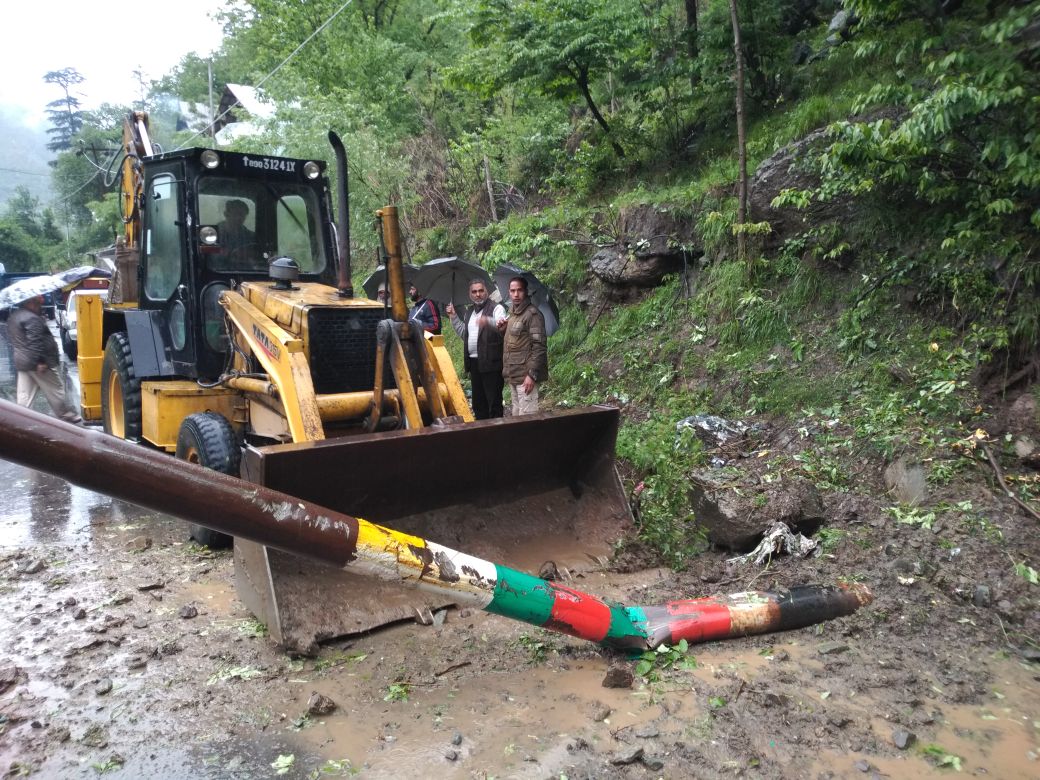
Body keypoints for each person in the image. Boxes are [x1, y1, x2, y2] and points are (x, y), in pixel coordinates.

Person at [7, 295, 81, 424]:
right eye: (36, 303)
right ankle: (66, 414)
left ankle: (20, 419)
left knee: (25, 395)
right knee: (56, 389)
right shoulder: (31, 319)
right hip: (38, 363)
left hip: (23, 362)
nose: (39, 306)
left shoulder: (14, 316)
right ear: (29, 303)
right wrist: (40, 361)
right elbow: (35, 343)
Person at [446, 279, 507, 419]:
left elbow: (503, 327)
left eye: (480, 290)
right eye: (474, 291)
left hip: (491, 362)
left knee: (494, 402)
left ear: (486, 291)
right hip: (474, 363)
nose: (478, 294)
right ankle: (482, 434)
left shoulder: (496, 308)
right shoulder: (469, 312)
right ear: (470, 294)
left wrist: (488, 321)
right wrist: (453, 317)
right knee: (478, 404)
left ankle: (497, 434)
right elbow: (464, 334)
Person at [499, 276, 547, 416]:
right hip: (513, 375)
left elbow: (539, 347)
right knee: (516, 417)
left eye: (519, 290)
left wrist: (531, 375)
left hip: (526, 378)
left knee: (528, 421)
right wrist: (503, 330)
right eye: (513, 291)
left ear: (526, 292)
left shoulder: (533, 315)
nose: (516, 294)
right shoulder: (512, 314)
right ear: (509, 292)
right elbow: (515, 342)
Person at [217, 199, 257, 267]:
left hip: (246, 274)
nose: (239, 218)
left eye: (242, 215)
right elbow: (209, 260)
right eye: (235, 214)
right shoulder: (212, 236)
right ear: (226, 214)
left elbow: (256, 259)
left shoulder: (251, 237)